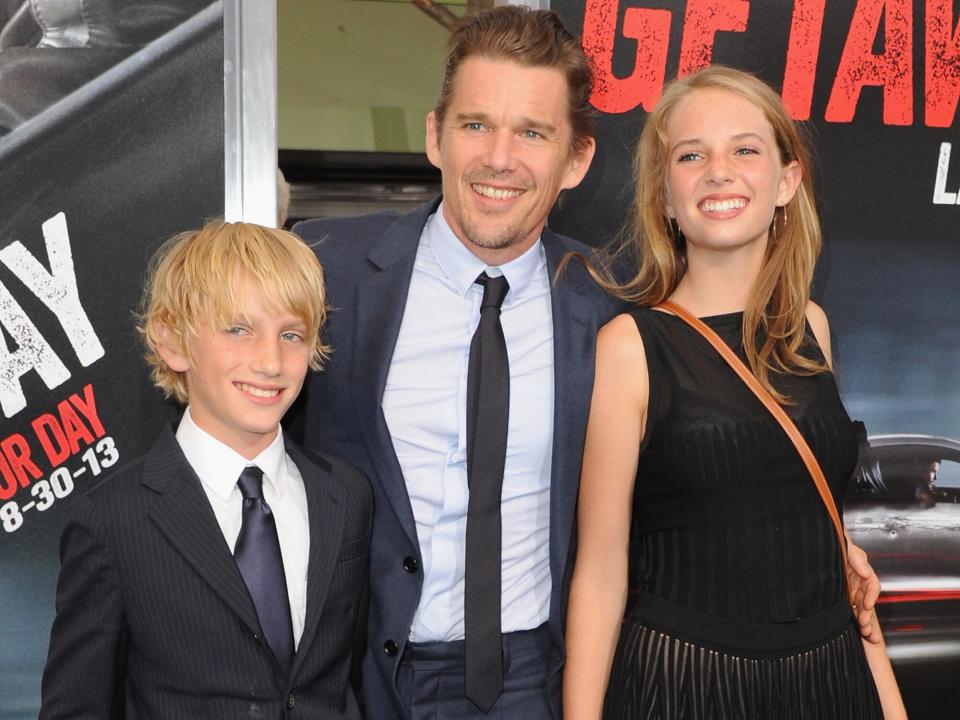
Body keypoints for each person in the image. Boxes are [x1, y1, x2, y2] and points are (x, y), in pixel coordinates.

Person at [292, 7, 614, 718]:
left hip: (530, 685)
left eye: (533, 132)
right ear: (436, 135)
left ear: (578, 159)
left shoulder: (616, 307)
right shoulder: (325, 270)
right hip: (350, 682)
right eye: (476, 125)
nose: (499, 158)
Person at [563, 66, 906, 719]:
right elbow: (601, 572)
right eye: (691, 155)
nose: (718, 171)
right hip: (686, 689)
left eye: (744, 149)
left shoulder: (812, 327)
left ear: (786, 181)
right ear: (664, 195)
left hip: (831, 683)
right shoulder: (630, 349)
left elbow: (826, 542)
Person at [39, 221, 371, 719]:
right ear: (172, 340)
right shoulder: (113, 520)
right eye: (238, 329)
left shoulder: (345, 495)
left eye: (291, 334)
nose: (270, 361)